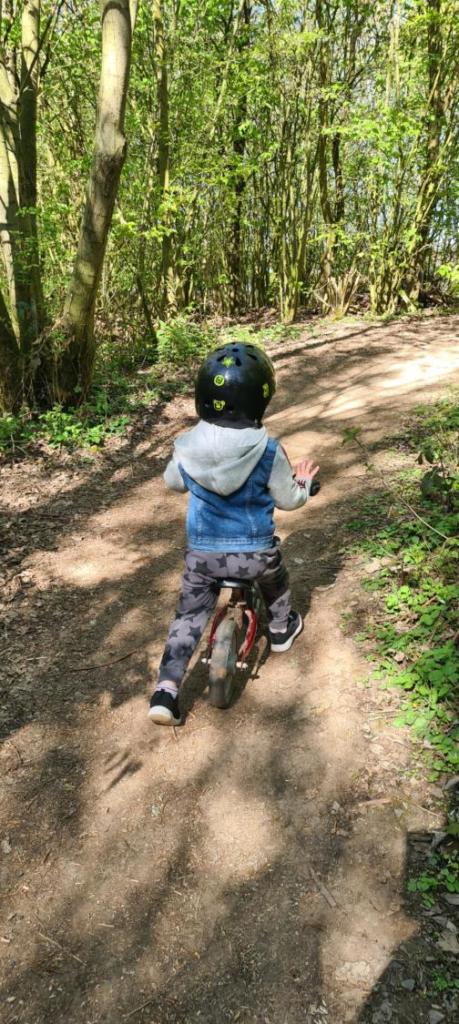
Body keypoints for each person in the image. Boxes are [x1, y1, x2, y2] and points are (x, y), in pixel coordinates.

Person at [148, 341, 319, 725]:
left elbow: (173, 483)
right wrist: (305, 485)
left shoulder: (188, 448)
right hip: (255, 554)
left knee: (189, 616)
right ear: (259, 400)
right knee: (276, 581)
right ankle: (279, 629)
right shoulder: (269, 451)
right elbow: (289, 500)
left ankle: (166, 690)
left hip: (203, 557)